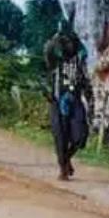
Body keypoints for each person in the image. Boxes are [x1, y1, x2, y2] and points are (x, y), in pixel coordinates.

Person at [42, 23, 92, 181]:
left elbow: (85, 78)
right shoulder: (54, 58)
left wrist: (89, 95)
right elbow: (48, 50)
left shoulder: (80, 56)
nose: (67, 46)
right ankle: (63, 167)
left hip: (75, 98)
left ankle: (66, 159)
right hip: (56, 100)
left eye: (70, 42)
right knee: (60, 136)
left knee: (80, 136)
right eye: (64, 42)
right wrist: (56, 38)